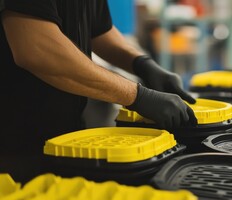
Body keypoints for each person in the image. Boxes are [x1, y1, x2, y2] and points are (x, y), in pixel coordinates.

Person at [0, 0, 198, 183]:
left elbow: (98, 29)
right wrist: (137, 95)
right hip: (12, 146)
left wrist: (141, 63)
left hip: (64, 138)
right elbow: (36, 48)